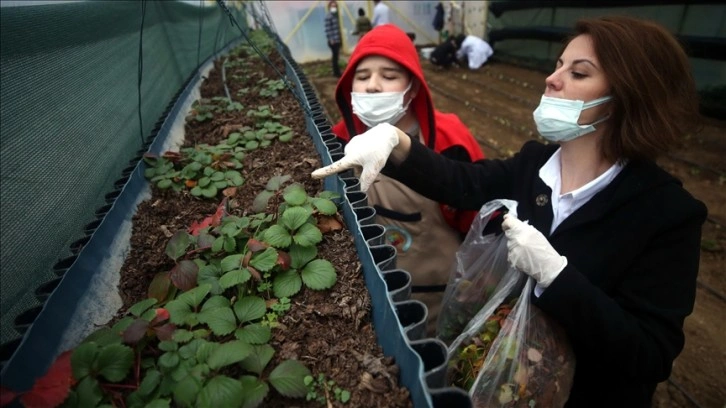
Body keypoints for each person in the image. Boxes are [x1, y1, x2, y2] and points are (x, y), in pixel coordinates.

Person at [313, 16, 706, 406]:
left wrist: (557, 276)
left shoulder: (666, 214)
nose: (553, 78)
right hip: (498, 379)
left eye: (579, 73)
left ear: (628, 95)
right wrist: (395, 140)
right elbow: (462, 182)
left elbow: (650, 354)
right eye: (558, 65)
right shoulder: (536, 164)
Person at [326, 24, 485, 335]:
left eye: (388, 76)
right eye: (362, 76)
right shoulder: (341, 138)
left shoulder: (449, 139)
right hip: (370, 293)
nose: (372, 86)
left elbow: (479, 223)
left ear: (412, 88)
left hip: (440, 298)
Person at [324, 1, 342, 78]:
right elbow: (328, 29)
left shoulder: (336, 16)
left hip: (337, 39)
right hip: (333, 40)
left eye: (335, 6)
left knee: (336, 56)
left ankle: (337, 71)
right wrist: (331, 39)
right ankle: (336, 73)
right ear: (329, 7)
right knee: (335, 56)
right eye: (332, 6)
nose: (334, 8)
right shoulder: (329, 16)